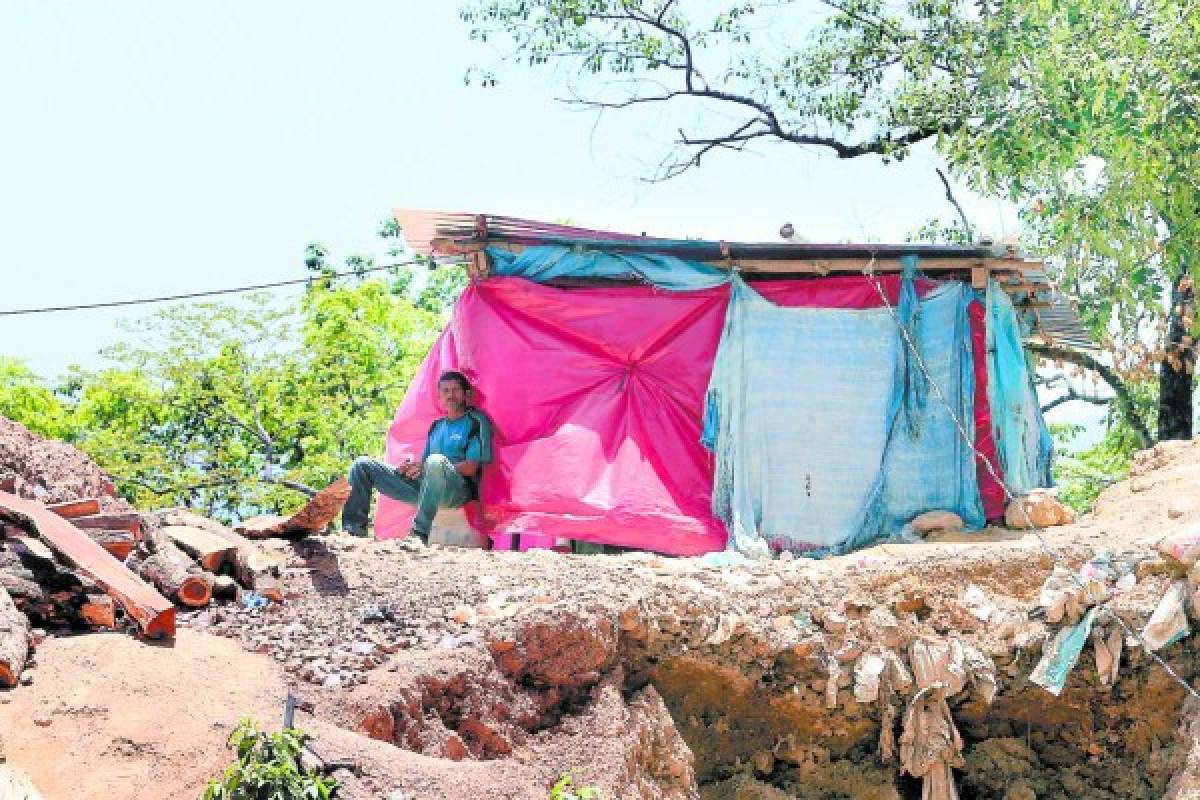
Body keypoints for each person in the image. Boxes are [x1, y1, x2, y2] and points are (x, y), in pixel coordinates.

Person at [343, 370, 493, 541]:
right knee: (362, 465)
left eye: (455, 390)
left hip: (457, 491)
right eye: (445, 391)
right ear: (439, 397)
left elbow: (471, 467)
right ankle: (353, 531)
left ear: (467, 394)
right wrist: (411, 469)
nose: (450, 395)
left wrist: (434, 467)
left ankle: (419, 534)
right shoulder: (436, 426)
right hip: (428, 488)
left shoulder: (476, 422)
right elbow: (425, 465)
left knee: (435, 462)